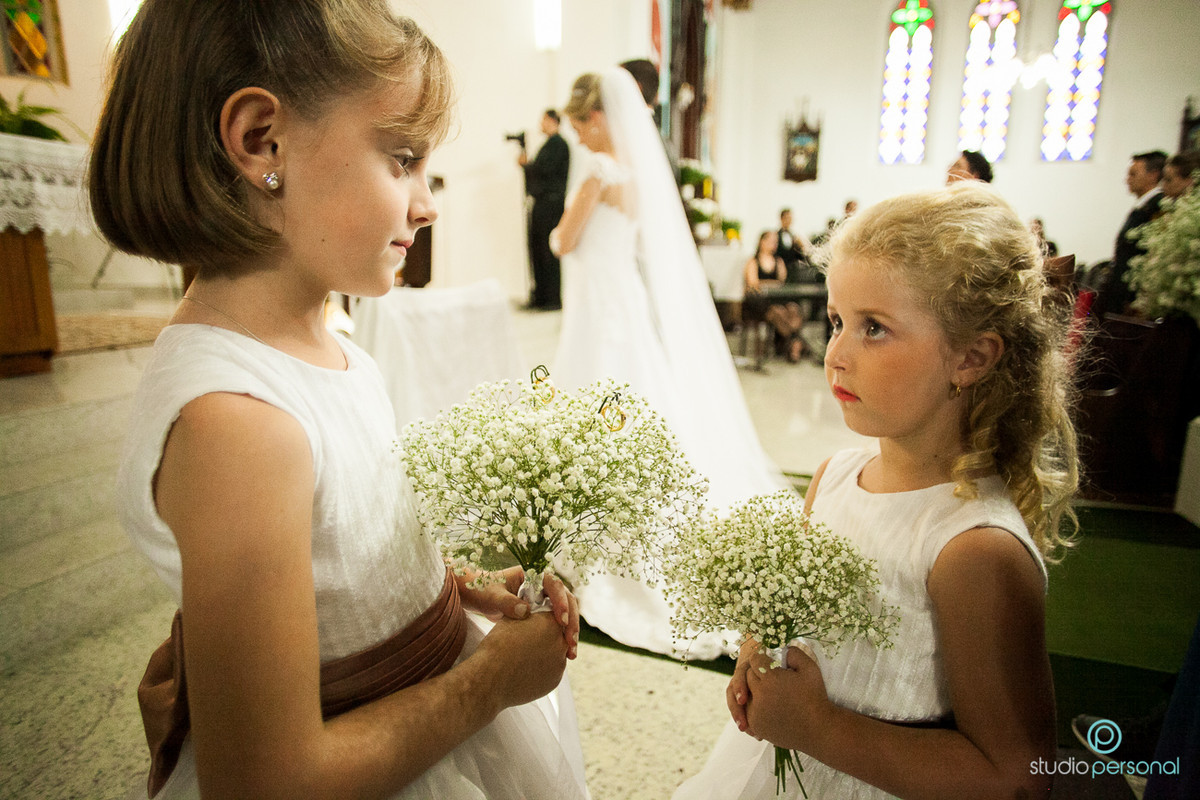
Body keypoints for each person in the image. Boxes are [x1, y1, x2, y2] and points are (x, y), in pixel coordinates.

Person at [89, 2, 586, 798]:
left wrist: (456, 587)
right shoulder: (237, 424)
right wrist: (489, 680)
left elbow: (340, 556)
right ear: (262, 141)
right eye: (403, 159)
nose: (427, 204)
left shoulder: (335, 347)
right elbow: (267, 781)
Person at [675, 182, 1078, 798]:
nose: (835, 353)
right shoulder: (834, 475)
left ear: (970, 358)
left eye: (875, 328)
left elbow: (1017, 778)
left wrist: (817, 726)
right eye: (837, 321)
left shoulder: (973, 547)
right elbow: (799, 609)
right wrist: (759, 647)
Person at [550, 68, 789, 659]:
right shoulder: (639, 180)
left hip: (600, 305)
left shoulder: (601, 174)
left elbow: (563, 242)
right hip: (623, 298)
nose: (579, 136)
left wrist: (566, 219)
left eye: (580, 124)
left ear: (597, 117)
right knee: (634, 402)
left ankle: (604, 533)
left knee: (597, 403)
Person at [1093, 149, 1167, 319]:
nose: (1127, 179)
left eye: (1133, 174)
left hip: (1132, 295)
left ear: (1153, 175)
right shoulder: (1144, 206)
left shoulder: (1157, 207)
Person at [518, 109, 570, 310]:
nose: (540, 124)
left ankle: (551, 298)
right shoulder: (549, 144)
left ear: (552, 121)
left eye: (543, 120)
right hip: (542, 204)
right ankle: (540, 296)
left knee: (548, 252)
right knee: (537, 249)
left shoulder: (558, 144)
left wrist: (527, 165)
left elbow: (545, 171)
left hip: (551, 205)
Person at [742, 230, 804, 363]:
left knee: (793, 309)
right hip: (760, 303)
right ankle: (795, 343)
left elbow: (782, 282)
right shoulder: (753, 261)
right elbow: (753, 284)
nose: (773, 244)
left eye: (775, 242)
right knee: (778, 312)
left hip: (777, 299)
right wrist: (772, 284)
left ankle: (791, 343)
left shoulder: (778, 261)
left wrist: (768, 284)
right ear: (762, 242)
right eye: (770, 241)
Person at [776, 208, 817, 284]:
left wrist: (801, 247)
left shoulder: (794, 237)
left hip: (793, 270)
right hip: (780, 268)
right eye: (787, 218)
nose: (789, 221)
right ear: (781, 219)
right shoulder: (776, 236)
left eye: (790, 218)